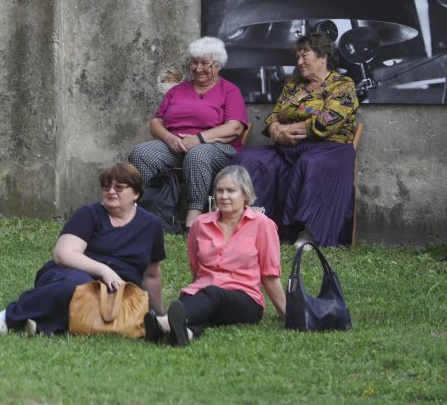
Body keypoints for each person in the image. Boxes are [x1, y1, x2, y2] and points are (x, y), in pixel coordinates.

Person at [0, 163, 165, 336]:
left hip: (119, 288)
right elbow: (63, 254)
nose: (111, 191)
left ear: (136, 193)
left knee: (112, 310)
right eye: (106, 186)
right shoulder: (89, 213)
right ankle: (9, 315)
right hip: (72, 272)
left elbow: (151, 275)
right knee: (79, 288)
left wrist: (159, 314)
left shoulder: (151, 224)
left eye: (119, 187)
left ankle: (42, 325)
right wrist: (104, 270)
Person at [234, 33, 359, 248]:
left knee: (309, 163)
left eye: (305, 56)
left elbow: (326, 123)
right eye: (297, 57)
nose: (299, 62)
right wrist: (275, 129)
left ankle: (309, 231)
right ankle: (253, 223)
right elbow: (274, 115)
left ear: (323, 57)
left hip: (330, 148)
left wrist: (288, 128)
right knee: (248, 157)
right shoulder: (293, 83)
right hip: (287, 147)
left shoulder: (342, 85)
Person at [143, 165, 286, 346]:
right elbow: (196, 267)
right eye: (219, 190)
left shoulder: (262, 225)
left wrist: (287, 314)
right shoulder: (201, 224)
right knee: (197, 303)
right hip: (203, 292)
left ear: (246, 195)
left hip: (244, 299)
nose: (224, 196)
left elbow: (270, 274)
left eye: (231, 191)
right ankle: (185, 334)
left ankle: (162, 324)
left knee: (210, 295)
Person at [128, 37, 248, 229]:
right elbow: (156, 122)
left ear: (217, 66)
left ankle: (193, 215)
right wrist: (169, 138)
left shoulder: (229, 91)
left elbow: (234, 127)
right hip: (176, 145)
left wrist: (199, 139)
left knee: (196, 154)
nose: (198, 68)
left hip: (216, 148)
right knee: (141, 153)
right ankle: (152, 208)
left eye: (204, 63)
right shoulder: (177, 90)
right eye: (194, 62)